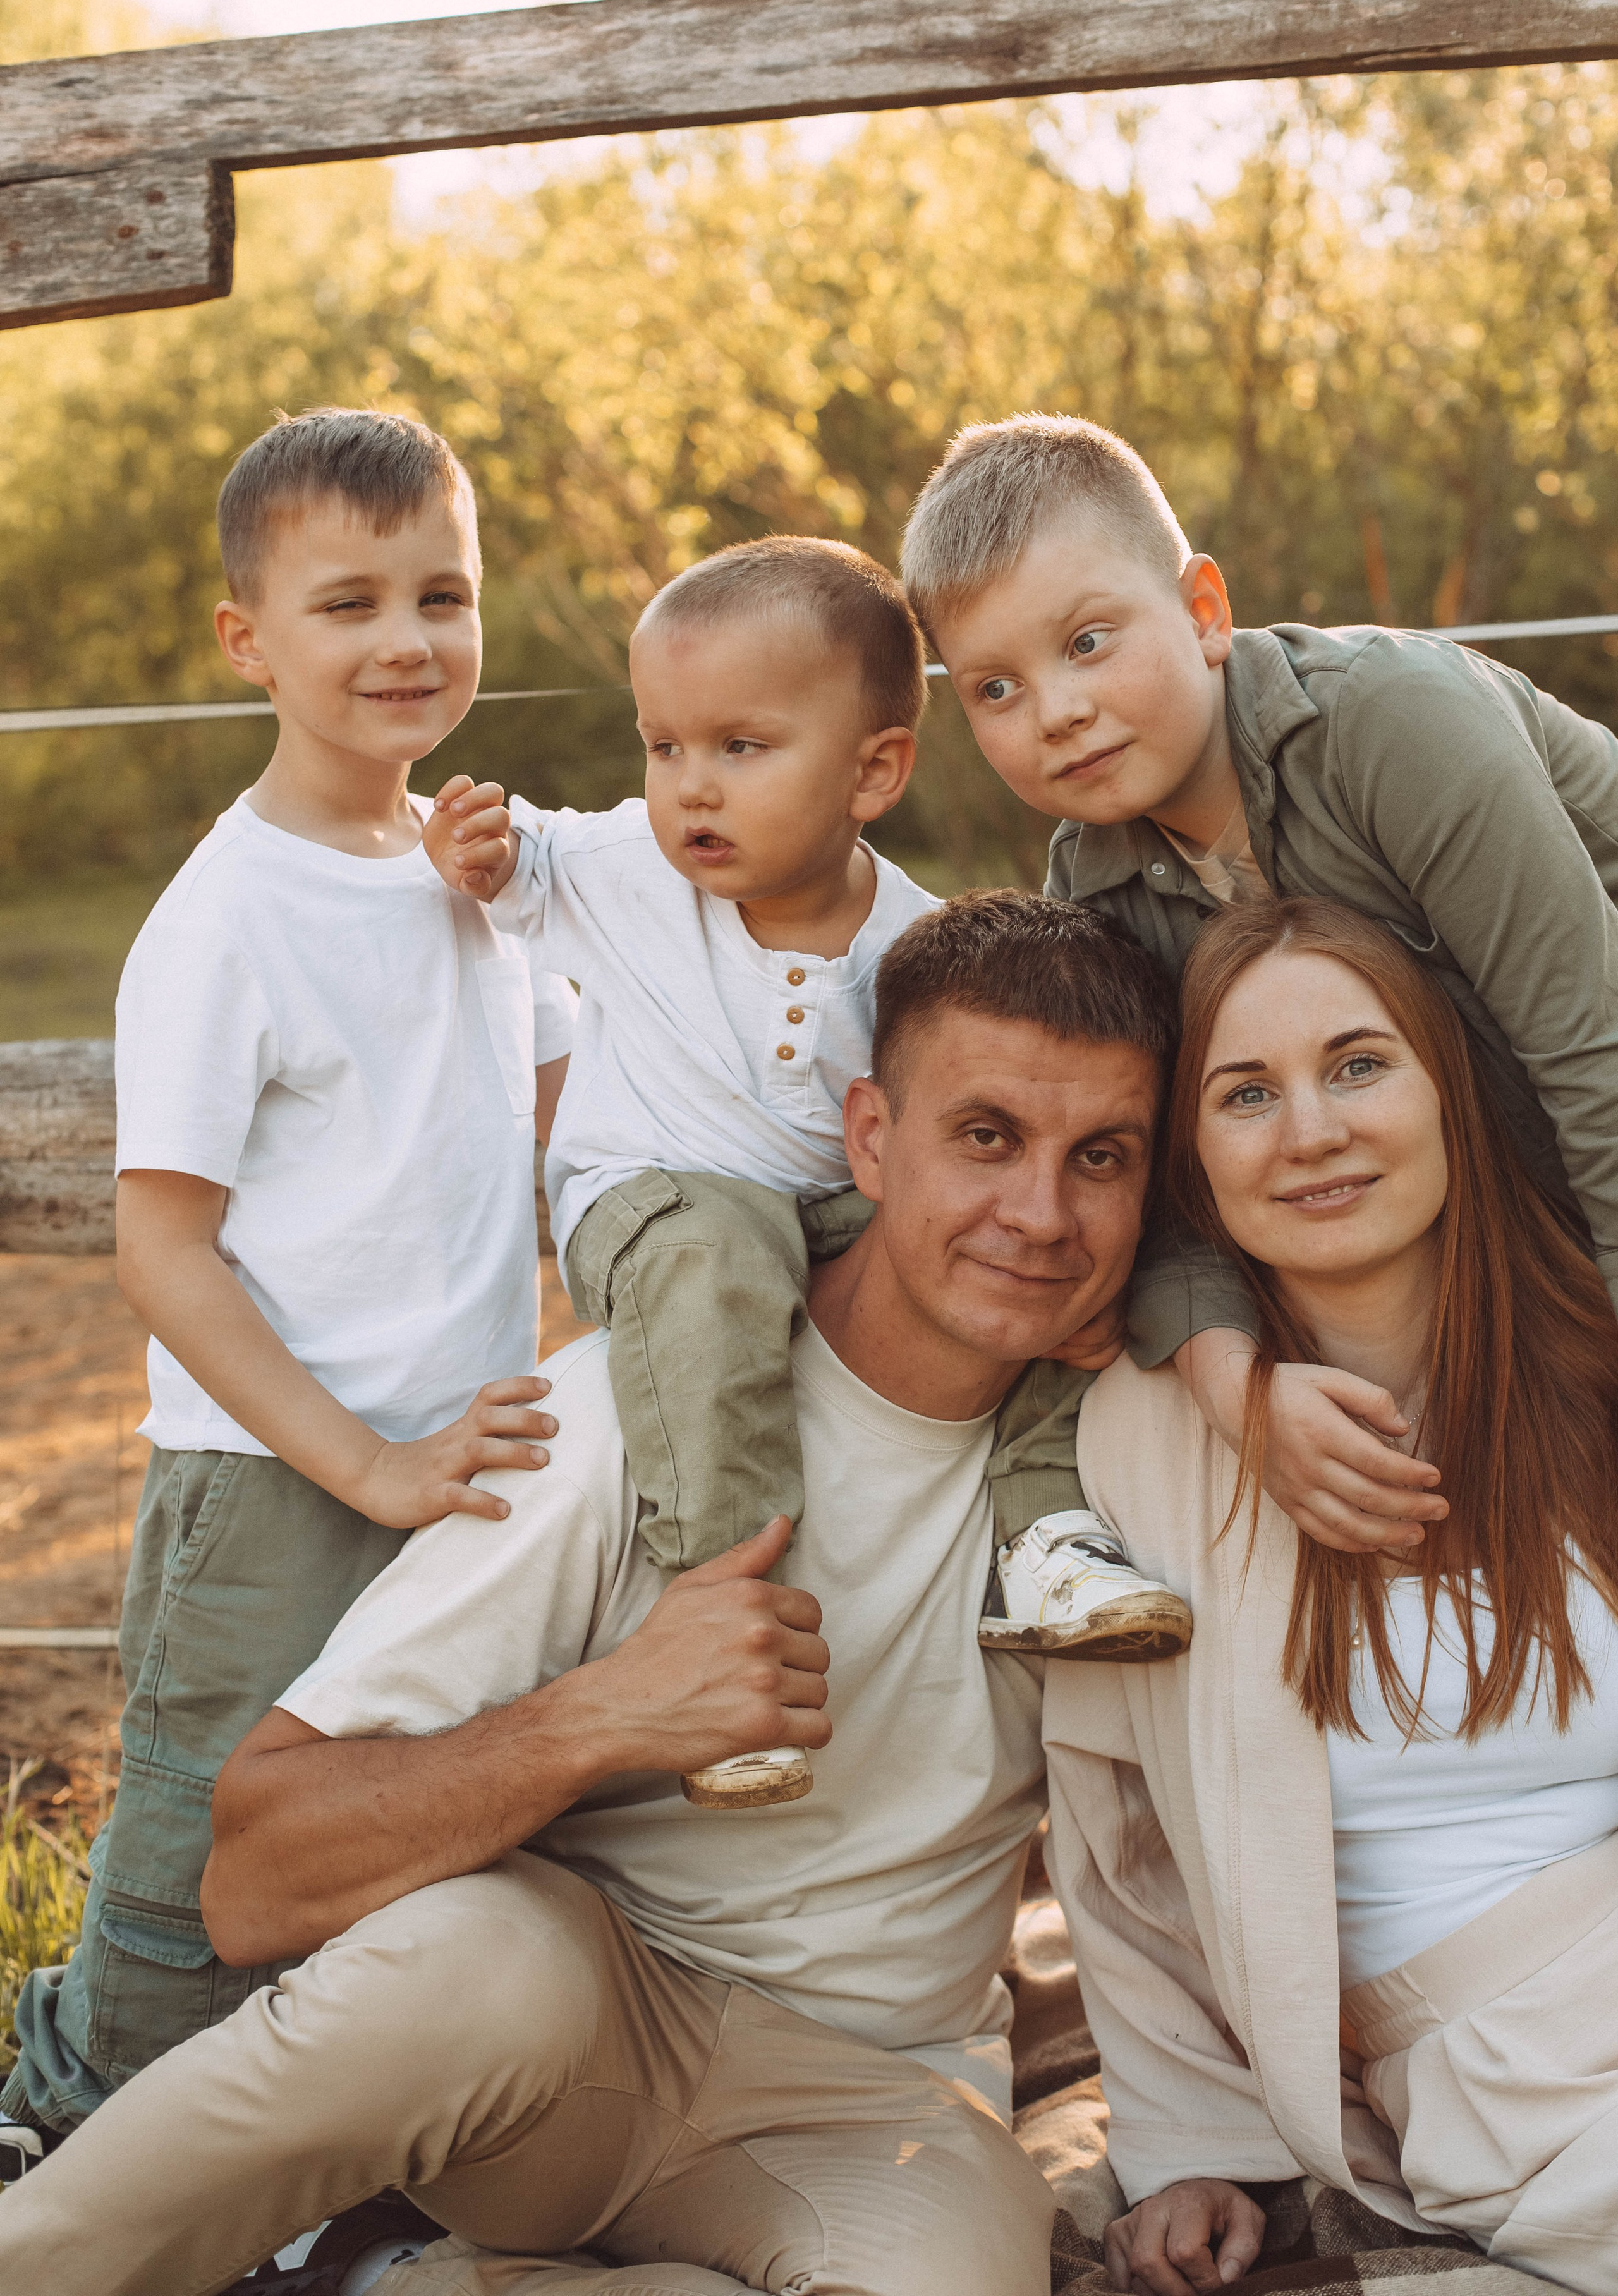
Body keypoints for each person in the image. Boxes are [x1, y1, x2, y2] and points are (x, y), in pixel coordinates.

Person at [0, 891, 1186, 2296]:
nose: (1040, 1215)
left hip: (868, 2101)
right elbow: (254, 1882)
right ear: (869, 1136)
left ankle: (378, 2282)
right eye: (984, 1137)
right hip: (556, 2047)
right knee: (477, 1965)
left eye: (1097, 1158)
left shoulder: (1122, 1475)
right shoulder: (633, 1419)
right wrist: (601, 1717)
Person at [0, 410, 581, 2163]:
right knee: (193, 1889)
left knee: (390, 1856)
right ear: (249, 642)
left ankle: (306, 2178)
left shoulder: (481, 878)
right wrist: (365, 1466)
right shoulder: (226, 914)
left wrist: (521, 898)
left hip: (457, 1486)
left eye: (443, 594)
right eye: (348, 605)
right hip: (277, 1492)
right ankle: (60, 2116)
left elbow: (568, 1135)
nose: (406, 640)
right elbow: (159, 1251)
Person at [426, 539, 1188, 1809]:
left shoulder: (912, 945)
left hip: (820, 1206)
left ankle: (1048, 1536)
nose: (687, 790)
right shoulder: (624, 869)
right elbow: (526, 868)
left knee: (1021, 1278)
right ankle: (718, 1616)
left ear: (873, 768)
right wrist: (478, 848)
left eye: (739, 747)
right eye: (661, 746)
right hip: (654, 1196)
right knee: (716, 1270)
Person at [902, 410, 1618, 1569]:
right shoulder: (1094, 891)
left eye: (1088, 642)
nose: (1057, 712)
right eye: (995, 688)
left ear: (1205, 613)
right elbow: (1155, 1181)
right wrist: (1240, 1391)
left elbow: (1594, 1059)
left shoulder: (1395, 726)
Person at [1041, 898, 1618, 2296]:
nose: (1309, 1132)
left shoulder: (1588, 1359)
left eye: (1357, 1065)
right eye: (1246, 1094)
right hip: (1505, 2058)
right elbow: (1117, 1840)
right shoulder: (1146, 1436)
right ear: (1196, 1154)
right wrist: (1191, 2139)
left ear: (1445, 1093)